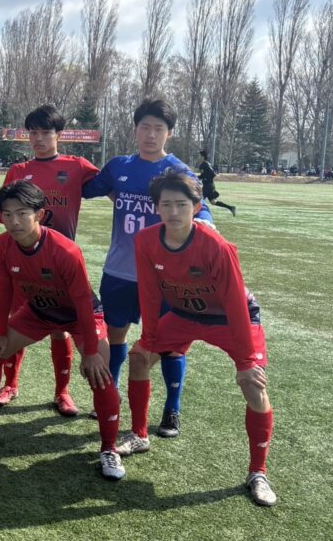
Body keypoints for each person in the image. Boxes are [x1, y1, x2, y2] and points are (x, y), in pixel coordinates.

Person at [117, 170, 276, 506]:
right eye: (166, 204)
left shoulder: (216, 246)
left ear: (197, 206)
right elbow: (150, 292)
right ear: (156, 207)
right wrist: (150, 337)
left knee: (253, 383)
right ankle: (140, 435)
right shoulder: (146, 240)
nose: (173, 211)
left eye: (181, 204)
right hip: (184, 314)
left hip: (231, 318)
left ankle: (258, 472)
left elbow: (236, 303)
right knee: (140, 357)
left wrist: (247, 361)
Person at [0, 181, 124, 479]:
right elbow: (5, 290)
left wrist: (92, 352)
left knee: (100, 374)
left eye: (22, 213)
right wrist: (1, 331)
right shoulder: (2, 244)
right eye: (7, 214)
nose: (14, 221)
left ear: (40, 214)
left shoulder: (65, 250)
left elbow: (83, 302)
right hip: (38, 311)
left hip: (79, 315)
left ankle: (109, 448)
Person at [82, 97, 213, 438]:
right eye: (145, 127)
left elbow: (201, 209)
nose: (151, 135)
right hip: (120, 270)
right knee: (115, 334)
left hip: (165, 276)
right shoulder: (118, 166)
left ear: (169, 133)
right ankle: (109, 396)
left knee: (169, 343)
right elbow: (85, 186)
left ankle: (172, 409)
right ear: (135, 130)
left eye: (158, 129)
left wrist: (208, 225)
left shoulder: (179, 172)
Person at [0, 104, 101, 414]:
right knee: (15, 320)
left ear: (59, 134)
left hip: (60, 263)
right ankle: (10, 384)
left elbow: (115, 189)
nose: (38, 138)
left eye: (45, 132)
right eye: (33, 133)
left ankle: (62, 392)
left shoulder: (77, 166)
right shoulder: (18, 170)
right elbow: (5, 210)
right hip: (25, 260)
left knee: (61, 329)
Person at [197, 150, 236, 216]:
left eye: (199, 156)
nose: (198, 157)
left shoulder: (203, 164)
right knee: (213, 202)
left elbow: (212, 174)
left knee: (199, 200)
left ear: (202, 157)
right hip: (210, 185)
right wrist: (198, 177)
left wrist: (205, 178)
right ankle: (231, 207)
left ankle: (197, 215)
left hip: (208, 186)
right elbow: (204, 175)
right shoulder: (206, 164)